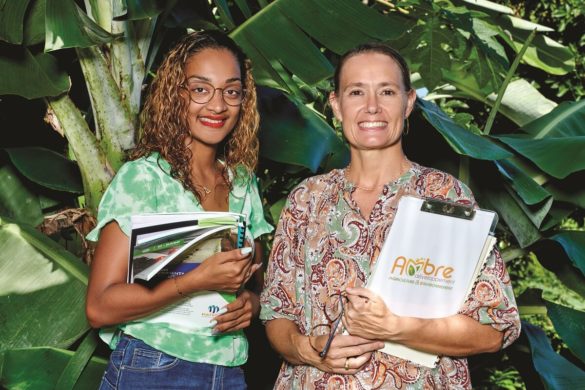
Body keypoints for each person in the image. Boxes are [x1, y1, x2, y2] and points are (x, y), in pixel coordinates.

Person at [260, 42, 520, 389]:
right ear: (336, 104)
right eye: (356, 92)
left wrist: (399, 328)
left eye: (387, 91)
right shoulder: (307, 199)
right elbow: (277, 313)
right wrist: (307, 349)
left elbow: (493, 330)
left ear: (408, 102)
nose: (372, 107)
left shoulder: (446, 197)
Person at [85, 30, 272, 389]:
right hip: (153, 367)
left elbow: (258, 290)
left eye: (231, 91)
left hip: (229, 371)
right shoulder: (143, 179)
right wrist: (194, 282)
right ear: (177, 94)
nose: (217, 106)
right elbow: (100, 307)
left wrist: (251, 305)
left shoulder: (244, 184)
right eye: (201, 89)